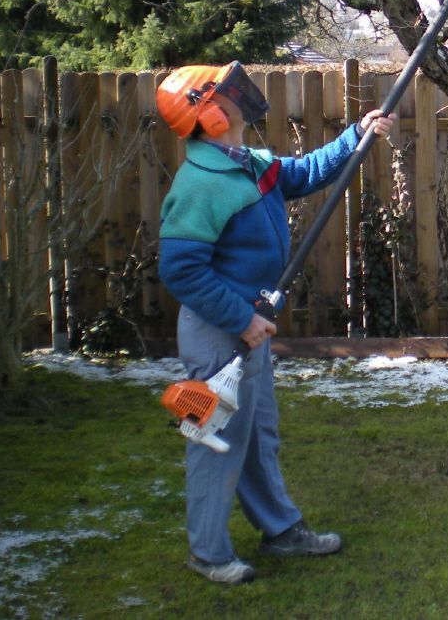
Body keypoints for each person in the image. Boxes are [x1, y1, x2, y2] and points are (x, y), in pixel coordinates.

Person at [156, 61, 395, 585]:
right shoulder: (200, 183)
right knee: (215, 440)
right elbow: (180, 269)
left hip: (250, 326)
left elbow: (305, 173)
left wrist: (357, 134)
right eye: (227, 91)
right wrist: (241, 318)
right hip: (221, 330)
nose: (242, 94)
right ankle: (208, 552)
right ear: (212, 116)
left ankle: (280, 530)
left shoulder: (246, 163)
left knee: (257, 435)